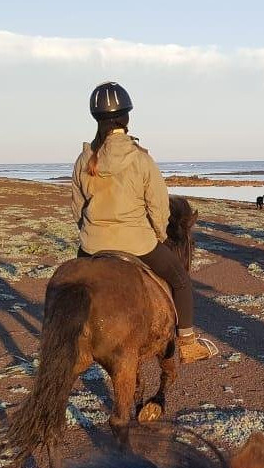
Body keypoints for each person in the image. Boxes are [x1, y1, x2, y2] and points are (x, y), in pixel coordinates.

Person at [72, 81, 216, 363]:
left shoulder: (84, 159)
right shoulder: (141, 159)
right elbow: (159, 207)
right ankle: (188, 343)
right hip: (137, 243)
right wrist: (159, 235)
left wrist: (90, 233)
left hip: (91, 246)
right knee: (180, 280)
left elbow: (78, 207)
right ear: (126, 117)